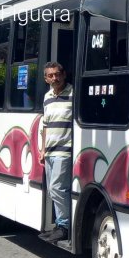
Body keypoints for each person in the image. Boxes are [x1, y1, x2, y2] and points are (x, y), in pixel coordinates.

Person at [39, 62, 73, 243]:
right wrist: (43, 149)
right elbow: (45, 125)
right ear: (46, 79)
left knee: (58, 188)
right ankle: (60, 225)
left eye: (57, 74)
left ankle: (65, 227)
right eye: (50, 75)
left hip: (65, 150)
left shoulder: (74, 94)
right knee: (53, 191)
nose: (55, 78)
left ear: (64, 74)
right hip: (50, 151)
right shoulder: (47, 97)